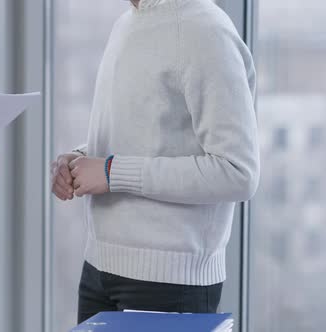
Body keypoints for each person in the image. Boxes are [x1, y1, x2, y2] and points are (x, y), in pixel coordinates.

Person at [51, 0, 260, 323]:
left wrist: (110, 171)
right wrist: (80, 159)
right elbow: (141, 137)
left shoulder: (206, 30)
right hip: (98, 268)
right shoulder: (127, 24)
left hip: (169, 284)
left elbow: (237, 171)